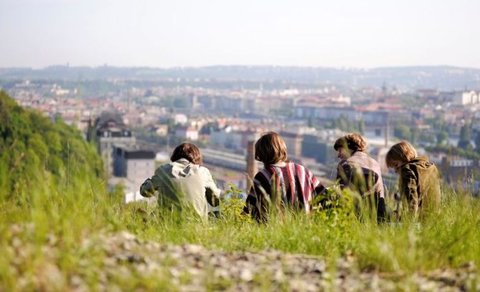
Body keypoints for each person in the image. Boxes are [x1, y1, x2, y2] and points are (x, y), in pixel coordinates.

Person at [243, 132, 325, 222]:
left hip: (275, 232)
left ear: (262, 154)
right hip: (306, 229)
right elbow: (324, 196)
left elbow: (249, 209)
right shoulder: (303, 170)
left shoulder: (263, 176)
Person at [140, 143, 221, 219]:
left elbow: (144, 192)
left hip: (168, 223)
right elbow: (215, 201)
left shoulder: (163, 170)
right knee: (217, 214)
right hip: (197, 225)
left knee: (152, 214)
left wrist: (150, 182)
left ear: (175, 156)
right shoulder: (203, 172)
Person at [333, 133, 386, 221]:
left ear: (348, 147)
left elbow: (341, 195)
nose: (338, 155)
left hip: (352, 217)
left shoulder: (345, 164)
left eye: (340, 150)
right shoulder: (375, 163)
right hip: (377, 216)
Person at [385, 141, 441, 219]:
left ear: (405, 157)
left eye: (396, 165)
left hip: (418, 222)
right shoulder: (432, 167)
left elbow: (412, 201)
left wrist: (406, 222)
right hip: (435, 219)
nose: (396, 170)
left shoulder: (407, 169)